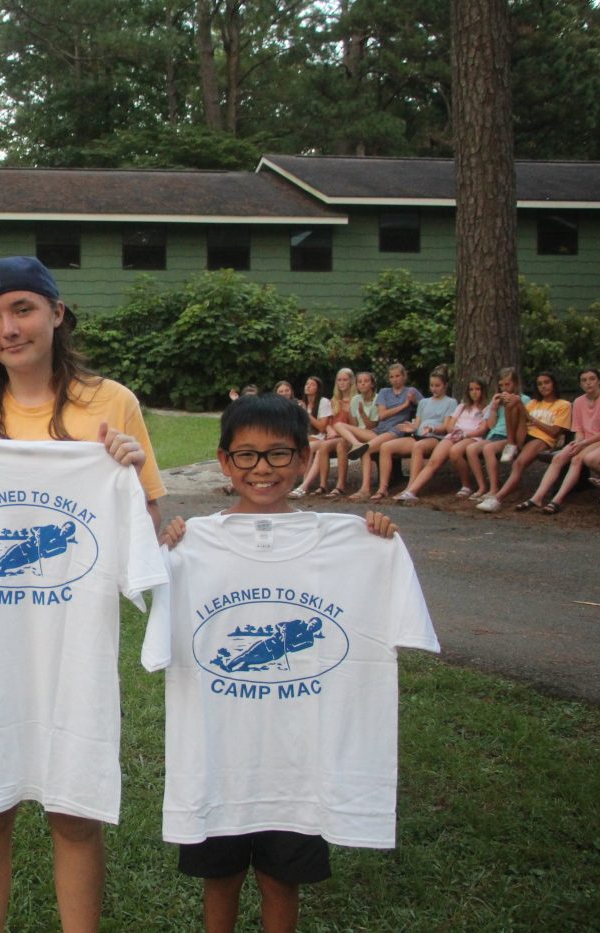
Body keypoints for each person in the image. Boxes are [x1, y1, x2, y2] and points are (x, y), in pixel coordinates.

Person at [0, 256, 166, 933]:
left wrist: (130, 473)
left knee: (74, 809)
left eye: (22, 309)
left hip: (72, 644)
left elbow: (145, 528)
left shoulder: (112, 403)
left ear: (57, 312)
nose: (8, 329)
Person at [144, 395, 438, 933]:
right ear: (225, 460)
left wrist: (378, 545)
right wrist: (170, 553)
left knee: (282, 882)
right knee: (220, 880)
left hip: (303, 772)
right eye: (247, 454)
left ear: (304, 458)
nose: (263, 468)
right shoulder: (189, 549)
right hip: (217, 766)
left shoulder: (356, 545)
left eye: (279, 454)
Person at [477, 370, 572, 512]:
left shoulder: (563, 405)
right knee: (512, 402)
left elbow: (554, 432)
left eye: (546, 382)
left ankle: (497, 499)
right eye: (539, 384)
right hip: (523, 434)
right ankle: (511, 444)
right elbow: (521, 417)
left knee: (518, 464)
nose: (543, 386)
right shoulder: (534, 402)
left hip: (542, 438)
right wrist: (516, 404)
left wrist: (531, 418)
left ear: (554, 384)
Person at [517, 366, 600, 513]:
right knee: (559, 458)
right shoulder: (578, 402)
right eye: (584, 380)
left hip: (596, 440)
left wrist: (583, 444)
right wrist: (578, 441)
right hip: (584, 440)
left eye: (592, 379)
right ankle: (537, 498)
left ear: (599, 381)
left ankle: (557, 500)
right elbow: (579, 429)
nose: (588, 383)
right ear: (580, 384)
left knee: (576, 459)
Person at [395, 376, 490, 503]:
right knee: (433, 461)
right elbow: (450, 424)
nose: (474, 392)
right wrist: (454, 431)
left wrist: (464, 434)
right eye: (471, 389)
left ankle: (466, 485)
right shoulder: (462, 406)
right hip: (454, 435)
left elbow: (483, 429)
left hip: (472, 437)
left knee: (454, 452)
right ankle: (412, 491)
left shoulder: (487, 408)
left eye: (477, 389)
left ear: (483, 391)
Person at [367, 367, 455, 501]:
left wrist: (432, 429)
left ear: (445, 385)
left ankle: (410, 489)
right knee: (386, 447)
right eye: (432, 385)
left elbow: (446, 427)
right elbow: (418, 424)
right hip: (418, 435)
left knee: (418, 446)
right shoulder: (424, 402)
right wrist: (411, 428)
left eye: (437, 386)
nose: (434, 389)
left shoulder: (450, 402)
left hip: (435, 437)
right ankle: (383, 489)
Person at [346, 363, 421, 500]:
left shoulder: (411, 391)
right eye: (392, 377)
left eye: (398, 376)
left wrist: (415, 416)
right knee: (365, 449)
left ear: (404, 376)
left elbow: (425, 407)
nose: (395, 379)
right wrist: (404, 405)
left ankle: (381, 489)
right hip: (380, 429)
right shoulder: (384, 392)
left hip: (397, 429)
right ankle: (365, 489)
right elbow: (382, 415)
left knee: (365, 448)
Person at [464, 367, 529, 504]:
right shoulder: (497, 402)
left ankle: (494, 489)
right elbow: (491, 425)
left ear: (515, 383)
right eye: (501, 385)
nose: (504, 388)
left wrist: (516, 403)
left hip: (509, 437)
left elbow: (526, 420)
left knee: (488, 449)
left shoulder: (524, 399)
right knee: (471, 449)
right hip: (494, 435)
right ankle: (482, 486)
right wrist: (493, 407)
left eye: (507, 384)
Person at [288, 374, 333, 498]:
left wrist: (306, 413)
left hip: (321, 438)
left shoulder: (323, 402)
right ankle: (289, 483)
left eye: (312, 384)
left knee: (309, 447)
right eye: (307, 384)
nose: (308, 386)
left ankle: (304, 486)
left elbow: (322, 427)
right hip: (306, 438)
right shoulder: (302, 403)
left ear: (318, 388)